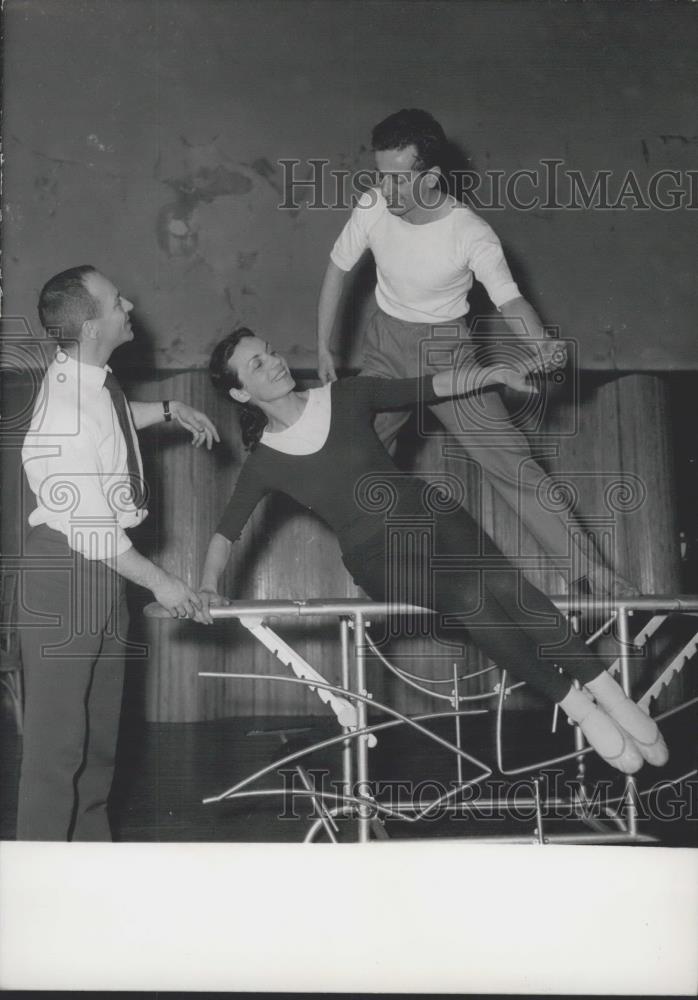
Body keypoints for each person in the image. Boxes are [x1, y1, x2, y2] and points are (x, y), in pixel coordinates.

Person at [196, 327, 668, 778]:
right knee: (470, 597)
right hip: (378, 556)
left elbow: (433, 384)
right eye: (256, 364)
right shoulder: (266, 460)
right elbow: (225, 531)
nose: (274, 362)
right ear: (241, 393)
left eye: (271, 351)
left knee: (506, 584)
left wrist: (496, 373)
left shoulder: (346, 395)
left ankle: (613, 694)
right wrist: (206, 587)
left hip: (433, 517)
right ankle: (579, 707)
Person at [316, 108, 636, 600]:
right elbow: (338, 269)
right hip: (384, 348)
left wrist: (539, 344)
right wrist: (323, 346)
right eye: (380, 176)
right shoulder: (373, 205)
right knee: (353, 452)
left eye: (399, 180)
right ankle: (383, 573)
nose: (386, 190)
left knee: (513, 463)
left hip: (448, 351)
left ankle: (595, 575)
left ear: (432, 177)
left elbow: (510, 299)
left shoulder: (470, 233)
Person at [18, 264, 219, 841]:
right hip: (69, 570)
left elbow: (108, 425)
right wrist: (162, 582)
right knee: (58, 751)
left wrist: (166, 410)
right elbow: (91, 529)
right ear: (89, 326)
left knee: (98, 745)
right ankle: (40, 893)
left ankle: (92, 876)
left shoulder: (89, 381)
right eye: (114, 301)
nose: (129, 303)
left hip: (101, 573)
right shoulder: (66, 409)